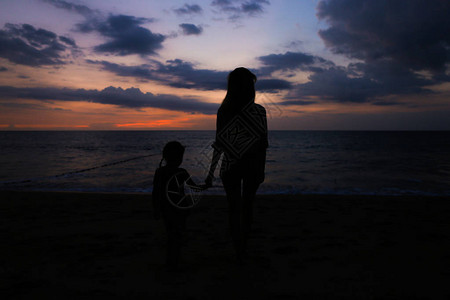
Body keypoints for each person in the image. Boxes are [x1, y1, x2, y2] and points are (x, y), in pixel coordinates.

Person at [205, 67, 268, 263]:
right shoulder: (258, 111)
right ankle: (243, 249)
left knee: (235, 209)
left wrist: (210, 173)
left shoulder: (225, 110)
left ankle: (239, 250)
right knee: (246, 208)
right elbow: (262, 143)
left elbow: (220, 143)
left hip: (233, 166)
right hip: (248, 166)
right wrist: (261, 168)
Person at [152, 141, 207, 269]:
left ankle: (171, 261)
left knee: (171, 233)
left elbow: (156, 192)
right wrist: (206, 185)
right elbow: (194, 187)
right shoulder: (182, 172)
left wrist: (156, 208)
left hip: (166, 208)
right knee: (178, 234)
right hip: (180, 208)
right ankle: (175, 261)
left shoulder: (159, 172)